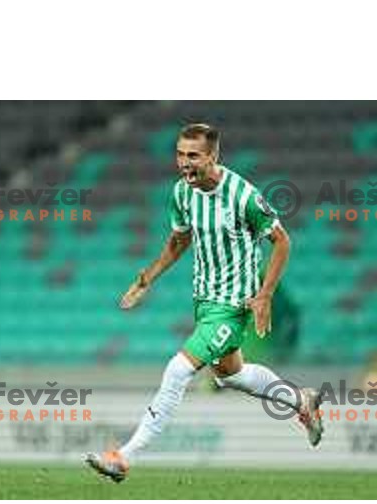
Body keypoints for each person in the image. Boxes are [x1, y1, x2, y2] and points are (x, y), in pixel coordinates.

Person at [85, 123, 323, 483]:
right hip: (205, 303)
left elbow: (282, 241)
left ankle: (124, 457)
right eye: (180, 154)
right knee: (233, 376)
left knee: (178, 370)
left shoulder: (242, 195)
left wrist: (264, 295)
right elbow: (179, 241)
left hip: (233, 305)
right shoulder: (182, 194)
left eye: (193, 155)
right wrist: (145, 279)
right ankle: (300, 400)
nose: (184, 162)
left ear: (213, 157)